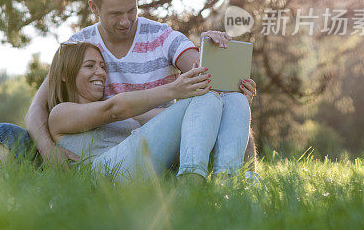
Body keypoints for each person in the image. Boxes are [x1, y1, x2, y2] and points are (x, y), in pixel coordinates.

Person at [0, 0, 258, 173]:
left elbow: (200, 71)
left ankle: (232, 181)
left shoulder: (161, 36)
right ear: (94, 8)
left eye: (132, 10)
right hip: (92, 144)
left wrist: (217, 59)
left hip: (153, 138)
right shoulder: (78, 46)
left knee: (230, 107)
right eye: (115, 14)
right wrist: (50, 152)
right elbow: (39, 108)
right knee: (2, 134)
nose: (126, 21)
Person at [46, 40, 248, 181]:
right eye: (90, 66)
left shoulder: (123, 109)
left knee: (234, 99)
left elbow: (182, 119)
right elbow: (113, 110)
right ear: (65, 74)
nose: (100, 72)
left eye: (101, 66)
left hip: (138, 171)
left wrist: (227, 101)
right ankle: (191, 180)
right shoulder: (59, 113)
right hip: (102, 176)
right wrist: (173, 90)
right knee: (204, 97)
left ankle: (227, 182)